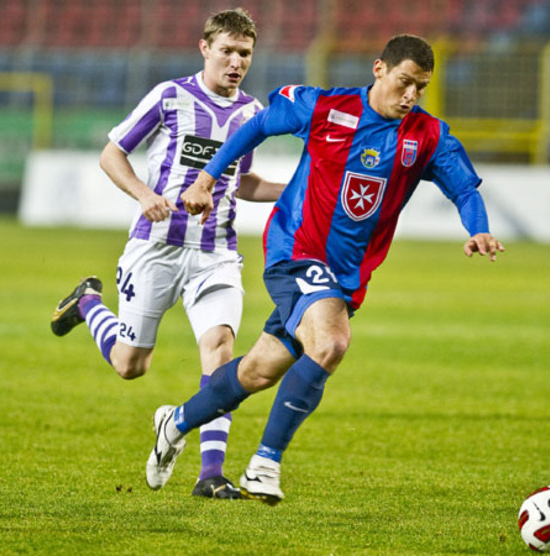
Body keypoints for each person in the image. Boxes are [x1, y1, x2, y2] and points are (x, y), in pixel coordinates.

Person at [143, 34, 505, 503]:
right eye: (404, 82)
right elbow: (259, 125)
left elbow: (465, 188)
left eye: (421, 87)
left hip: (346, 276)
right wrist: (207, 178)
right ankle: (264, 464)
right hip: (295, 249)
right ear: (379, 69)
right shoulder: (325, 108)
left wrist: (478, 228)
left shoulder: (428, 135)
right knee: (331, 341)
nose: (411, 95)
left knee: (257, 372)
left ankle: (174, 423)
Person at [49, 8, 284, 499]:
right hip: (156, 247)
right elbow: (112, 153)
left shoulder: (252, 114)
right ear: (205, 48)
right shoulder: (170, 96)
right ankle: (88, 303)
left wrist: (294, 191)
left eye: (245, 53)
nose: (236, 62)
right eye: (227, 51)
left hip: (216, 253)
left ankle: (210, 474)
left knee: (220, 350)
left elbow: (242, 182)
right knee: (130, 365)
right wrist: (143, 194)